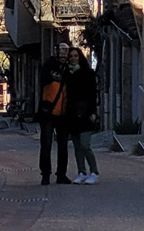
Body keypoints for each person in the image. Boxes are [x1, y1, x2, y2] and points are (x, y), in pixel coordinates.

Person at [62, 44, 100, 184]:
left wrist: (93, 112)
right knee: (77, 146)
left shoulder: (87, 73)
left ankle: (94, 171)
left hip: (85, 113)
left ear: (80, 57)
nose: (73, 58)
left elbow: (92, 94)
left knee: (85, 144)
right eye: (71, 56)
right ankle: (81, 172)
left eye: (75, 56)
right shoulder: (66, 74)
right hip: (71, 114)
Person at [36, 51, 70, 185]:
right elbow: (44, 79)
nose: (63, 56)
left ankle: (61, 175)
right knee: (46, 145)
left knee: (63, 146)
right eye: (60, 53)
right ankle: (45, 175)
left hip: (63, 113)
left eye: (65, 53)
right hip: (48, 113)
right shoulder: (48, 70)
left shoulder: (69, 71)